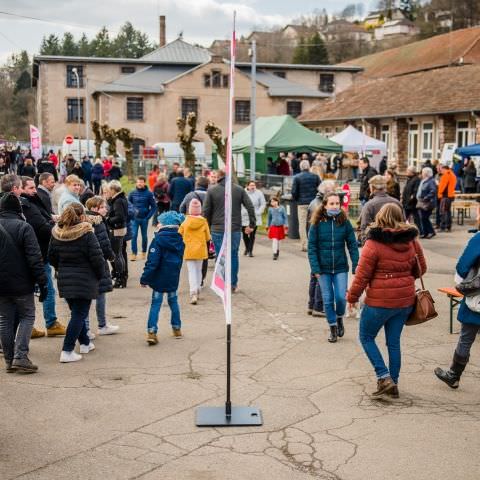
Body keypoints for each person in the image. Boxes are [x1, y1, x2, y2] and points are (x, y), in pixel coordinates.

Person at [347, 203, 427, 398]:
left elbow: (362, 275)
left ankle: (384, 376)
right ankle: (394, 383)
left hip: (379, 302)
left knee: (366, 337)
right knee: (394, 342)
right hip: (404, 301)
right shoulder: (412, 241)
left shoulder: (373, 243)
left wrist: (352, 297)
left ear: (380, 218)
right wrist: (404, 279)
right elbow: (421, 269)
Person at [48, 203, 105, 363]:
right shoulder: (87, 234)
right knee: (79, 314)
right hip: (84, 279)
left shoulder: (57, 233)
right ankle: (67, 350)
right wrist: (100, 276)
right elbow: (97, 259)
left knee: (77, 313)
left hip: (65, 279)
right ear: (81, 217)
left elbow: (51, 257)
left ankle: (85, 343)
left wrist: (62, 268)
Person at [0, 192, 47, 373]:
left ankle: (9, 361)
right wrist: (43, 283)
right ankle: (20, 356)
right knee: (27, 316)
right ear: (18, 209)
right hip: (22, 283)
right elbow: (35, 258)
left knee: (4, 320)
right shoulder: (24, 227)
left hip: (2, 285)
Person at [308, 193, 359, 343]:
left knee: (340, 298)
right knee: (328, 300)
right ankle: (333, 328)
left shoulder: (344, 222)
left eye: (337, 203)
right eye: (332, 204)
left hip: (340, 267)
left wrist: (356, 264)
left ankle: (339, 318)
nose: (335, 206)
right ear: (325, 205)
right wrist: (315, 268)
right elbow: (312, 247)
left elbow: (352, 245)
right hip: (322, 269)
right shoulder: (316, 223)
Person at [20, 176, 66, 338]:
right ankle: (50, 323)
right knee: (47, 289)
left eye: (34, 187)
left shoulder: (29, 202)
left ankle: (30, 325)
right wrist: (55, 227)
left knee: (31, 291)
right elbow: (41, 228)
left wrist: (51, 219)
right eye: (30, 188)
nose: (34, 191)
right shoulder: (27, 205)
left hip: (35, 253)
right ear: (20, 188)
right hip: (38, 254)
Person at [434, 231, 480, 389]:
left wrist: (464, 282)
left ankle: (454, 375)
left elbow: (463, 265)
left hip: (477, 299)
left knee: (466, 338)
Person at [203, 169, 255, 292]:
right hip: (235, 228)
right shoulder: (239, 189)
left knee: (220, 256)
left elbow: (206, 211)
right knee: (233, 255)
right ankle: (232, 284)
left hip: (217, 228)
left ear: (218, 178)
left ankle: (221, 283)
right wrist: (251, 224)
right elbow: (250, 206)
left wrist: (208, 227)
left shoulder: (211, 191)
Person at [141, 211, 185, 344]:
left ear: (165, 224)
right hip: (173, 276)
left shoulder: (158, 240)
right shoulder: (180, 240)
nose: (157, 224)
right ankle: (177, 328)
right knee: (173, 301)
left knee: (156, 304)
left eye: (159, 222)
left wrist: (145, 278)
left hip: (159, 277)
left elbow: (152, 262)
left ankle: (152, 331)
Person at [85, 196, 119, 336]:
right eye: (103, 207)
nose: (106, 209)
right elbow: (104, 244)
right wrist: (112, 256)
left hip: (87, 263)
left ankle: (87, 329)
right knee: (99, 295)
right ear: (94, 209)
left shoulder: (85, 220)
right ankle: (101, 325)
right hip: (98, 262)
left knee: (88, 297)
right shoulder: (98, 222)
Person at [178, 199, 211, 304]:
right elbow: (207, 237)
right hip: (200, 249)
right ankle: (198, 289)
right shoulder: (204, 221)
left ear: (190, 210)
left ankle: (193, 293)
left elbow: (179, 234)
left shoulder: (185, 221)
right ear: (200, 210)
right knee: (198, 270)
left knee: (191, 271)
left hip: (189, 249)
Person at [359, 175, 403, 242]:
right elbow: (403, 224)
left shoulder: (369, 205)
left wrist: (365, 243)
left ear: (372, 188)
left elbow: (365, 229)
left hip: (377, 245)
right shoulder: (397, 203)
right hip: (398, 243)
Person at [291, 159, 321, 252]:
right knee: (314, 223)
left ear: (300, 167)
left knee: (302, 225)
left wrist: (297, 200)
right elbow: (320, 189)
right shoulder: (315, 177)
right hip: (314, 203)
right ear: (309, 167)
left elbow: (294, 192)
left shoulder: (297, 177)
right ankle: (315, 243)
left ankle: (305, 245)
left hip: (302, 203)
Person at [106, 180, 128, 288]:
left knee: (117, 255)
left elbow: (120, 216)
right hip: (120, 229)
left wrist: (107, 220)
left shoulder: (118, 201)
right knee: (119, 254)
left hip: (117, 229)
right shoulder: (120, 199)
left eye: (108, 190)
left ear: (113, 190)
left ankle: (120, 279)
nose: (107, 192)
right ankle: (120, 277)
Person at [128, 176, 156, 260]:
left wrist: (148, 217)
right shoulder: (132, 193)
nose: (139, 183)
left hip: (144, 219)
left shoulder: (149, 194)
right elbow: (128, 205)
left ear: (144, 183)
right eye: (138, 182)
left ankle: (144, 252)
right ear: (136, 183)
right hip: (134, 219)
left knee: (144, 236)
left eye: (141, 182)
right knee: (134, 235)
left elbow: (154, 207)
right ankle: (134, 253)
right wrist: (130, 214)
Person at [241, 180, 266, 257]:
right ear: (247, 186)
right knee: (245, 234)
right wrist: (241, 212)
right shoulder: (242, 193)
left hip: (255, 216)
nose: (252, 187)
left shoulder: (259, 193)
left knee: (252, 234)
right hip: (244, 216)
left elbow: (263, 203)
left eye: (254, 185)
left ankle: (250, 251)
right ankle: (247, 248)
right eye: (251, 185)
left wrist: (259, 212)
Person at [416, 167, 437, 239]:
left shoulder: (430, 181)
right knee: (423, 218)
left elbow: (433, 191)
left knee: (425, 217)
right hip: (422, 201)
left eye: (422, 172)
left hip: (428, 203)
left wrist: (426, 197)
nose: (421, 174)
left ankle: (431, 232)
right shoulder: (424, 180)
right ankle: (425, 232)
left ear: (426, 174)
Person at [267, 196, 288, 261]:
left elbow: (285, 217)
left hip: (280, 226)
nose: (273, 203)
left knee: (279, 241)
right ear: (270, 203)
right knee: (274, 240)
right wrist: (267, 226)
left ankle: (277, 250)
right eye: (272, 201)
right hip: (273, 226)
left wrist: (286, 225)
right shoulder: (270, 209)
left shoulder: (282, 208)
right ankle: (274, 253)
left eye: (275, 201)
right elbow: (269, 218)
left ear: (277, 201)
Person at [437, 163, 457, 232]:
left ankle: (443, 227)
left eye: (442, 170)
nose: (441, 171)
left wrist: (439, 193)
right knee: (448, 212)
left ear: (445, 169)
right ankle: (448, 227)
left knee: (443, 212)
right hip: (450, 195)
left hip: (445, 196)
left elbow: (443, 186)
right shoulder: (452, 174)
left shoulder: (446, 175)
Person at [402, 166, 421, 231]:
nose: (406, 172)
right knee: (405, 217)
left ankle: (419, 230)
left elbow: (415, 191)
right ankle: (404, 229)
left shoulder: (416, 179)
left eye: (407, 171)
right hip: (407, 202)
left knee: (415, 217)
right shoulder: (409, 179)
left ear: (412, 172)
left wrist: (411, 199)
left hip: (412, 203)